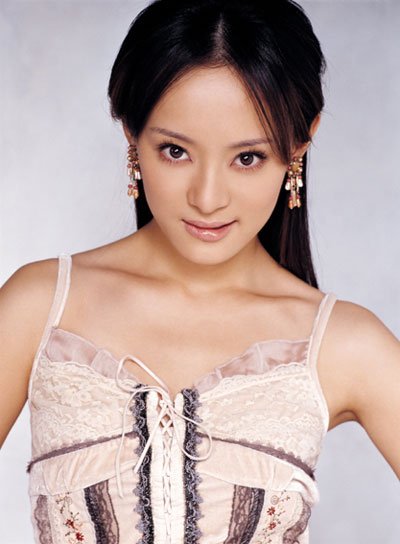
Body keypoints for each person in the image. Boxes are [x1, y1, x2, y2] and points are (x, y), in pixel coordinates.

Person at [0, 0, 399, 542]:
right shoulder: (40, 306)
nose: (208, 199)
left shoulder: (344, 343)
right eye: (175, 151)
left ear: (298, 146)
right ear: (132, 135)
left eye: (247, 158)